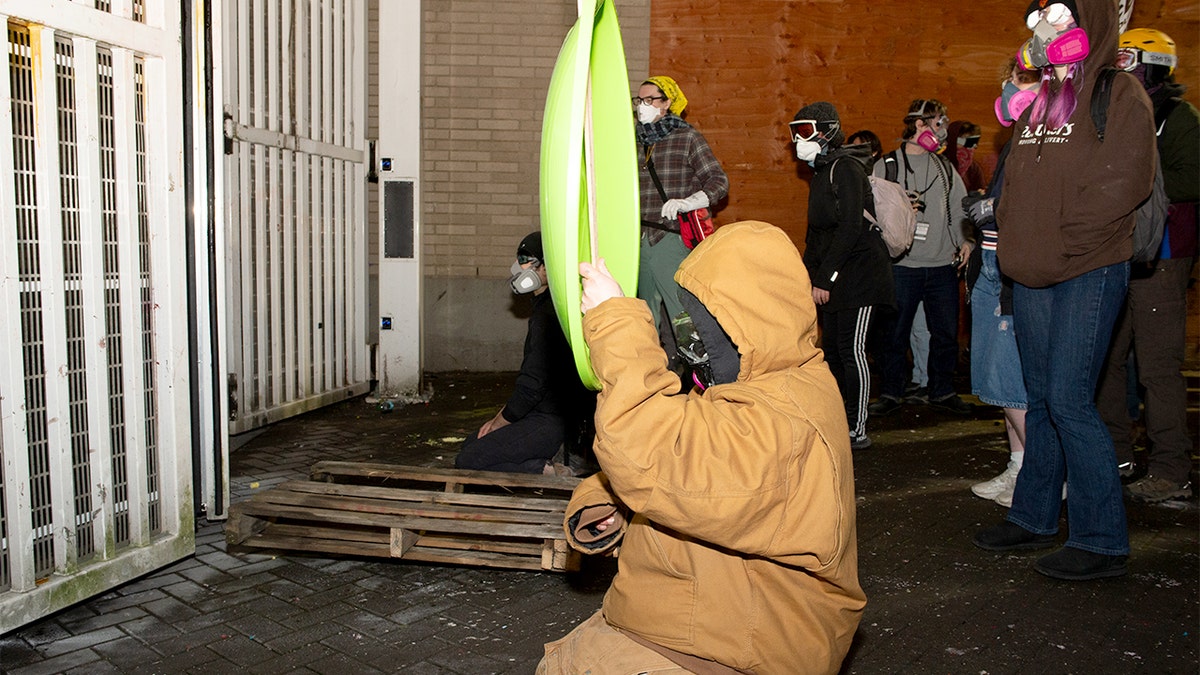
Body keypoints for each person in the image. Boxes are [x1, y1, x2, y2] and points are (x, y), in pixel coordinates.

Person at [537, 221, 865, 674]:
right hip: (688, 617)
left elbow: (649, 449)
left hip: (731, 649)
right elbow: (674, 459)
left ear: (752, 319)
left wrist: (615, 322)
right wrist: (608, 505)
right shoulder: (759, 385)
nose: (692, 337)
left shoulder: (786, 418)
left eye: (705, 321)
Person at [973, 0, 1157, 581]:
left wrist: (1057, 244)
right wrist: (1015, 234)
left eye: (1057, 14)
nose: (1044, 29)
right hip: (1031, 270)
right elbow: (1019, 181)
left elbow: (1121, 185)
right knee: (1042, 397)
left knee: (1071, 399)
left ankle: (1102, 539)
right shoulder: (1045, 100)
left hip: (1087, 268)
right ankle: (1033, 515)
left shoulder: (1118, 93)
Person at [1096, 27, 1198, 503]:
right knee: (1108, 360)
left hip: (1164, 257)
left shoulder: (1179, 119)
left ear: (1154, 66)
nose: (1124, 70)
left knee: (1157, 367)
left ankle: (1171, 467)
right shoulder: (1118, 113)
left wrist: (1134, 177)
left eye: (1132, 61)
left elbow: (1192, 178)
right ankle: (1116, 452)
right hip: (1118, 252)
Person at [792, 102, 894, 450]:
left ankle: (858, 427)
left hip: (861, 275)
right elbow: (817, 234)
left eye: (804, 131)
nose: (798, 139)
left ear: (828, 130)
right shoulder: (822, 171)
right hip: (834, 276)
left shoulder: (846, 168)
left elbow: (850, 228)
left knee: (853, 351)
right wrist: (806, 276)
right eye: (795, 132)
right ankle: (838, 419)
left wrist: (826, 278)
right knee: (833, 351)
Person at [964, 60, 1042, 508]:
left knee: (1012, 381)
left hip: (1012, 267)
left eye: (1021, 80)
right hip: (992, 261)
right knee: (996, 377)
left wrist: (996, 210)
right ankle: (1017, 466)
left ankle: (1040, 472)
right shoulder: (1018, 139)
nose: (1009, 87)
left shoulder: (1044, 141)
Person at [867, 99, 974, 417]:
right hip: (902, 267)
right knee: (894, 334)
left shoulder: (945, 168)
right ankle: (891, 392)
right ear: (918, 125)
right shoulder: (887, 166)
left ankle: (942, 390)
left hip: (941, 265)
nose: (942, 131)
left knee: (945, 333)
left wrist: (966, 241)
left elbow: (959, 208)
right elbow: (870, 212)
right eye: (938, 123)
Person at [455, 232, 593, 475]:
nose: (519, 267)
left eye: (527, 260)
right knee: (472, 443)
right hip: (541, 414)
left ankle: (545, 469)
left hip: (549, 421)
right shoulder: (550, 306)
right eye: (520, 258)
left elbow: (532, 384)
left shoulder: (548, 315)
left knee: (469, 459)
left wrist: (500, 422)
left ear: (548, 269)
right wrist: (501, 416)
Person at [634, 75, 729, 352]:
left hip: (670, 239)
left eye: (649, 100)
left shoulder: (687, 137)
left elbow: (719, 181)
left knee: (682, 316)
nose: (642, 106)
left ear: (668, 104)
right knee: (643, 317)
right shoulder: (633, 142)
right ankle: (653, 375)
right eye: (639, 100)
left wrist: (689, 202)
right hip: (637, 241)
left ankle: (699, 372)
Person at [946, 120, 987, 193]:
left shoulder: (973, 168)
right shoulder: (939, 165)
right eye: (968, 142)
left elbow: (980, 191)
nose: (970, 148)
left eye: (975, 143)